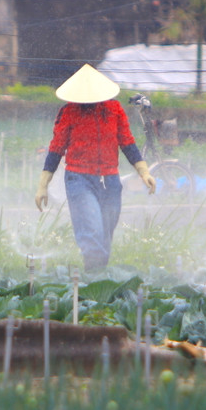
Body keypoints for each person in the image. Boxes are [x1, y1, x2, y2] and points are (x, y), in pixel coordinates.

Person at [35, 65, 156, 271]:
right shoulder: (69, 112)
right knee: (91, 234)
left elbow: (127, 143)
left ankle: (96, 285)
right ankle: (92, 281)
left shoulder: (114, 110)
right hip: (79, 179)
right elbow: (56, 149)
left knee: (105, 236)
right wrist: (42, 186)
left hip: (110, 180)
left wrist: (144, 172)